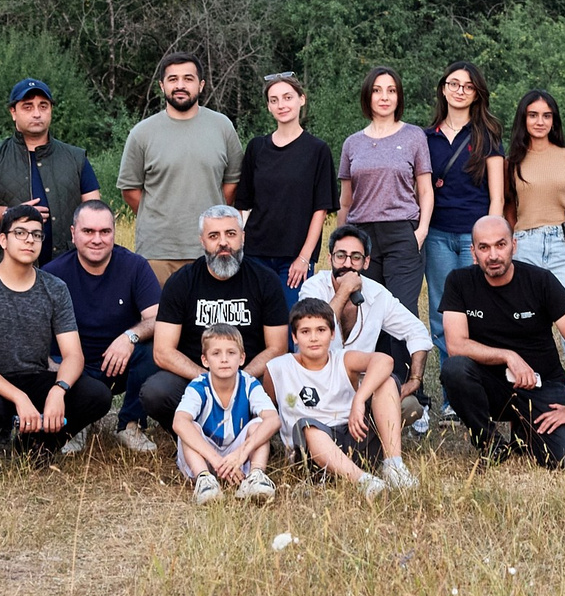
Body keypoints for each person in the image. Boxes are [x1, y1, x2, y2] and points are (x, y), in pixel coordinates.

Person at [0, 205, 112, 470]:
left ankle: (37, 446)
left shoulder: (54, 288)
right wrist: (18, 397)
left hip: (36, 376)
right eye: (21, 233)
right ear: (3, 240)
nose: (30, 240)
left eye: (37, 235)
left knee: (96, 394)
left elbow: (74, 355)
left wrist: (58, 390)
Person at [440, 216, 565, 468]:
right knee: (454, 369)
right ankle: (491, 444)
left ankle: (524, 430)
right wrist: (508, 356)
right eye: (484, 247)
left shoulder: (540, 280)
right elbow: (456, 345)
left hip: (539, 383)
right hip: (489, 386)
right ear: (473, 252)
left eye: (500, 245)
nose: (493, 255)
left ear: (514, 245)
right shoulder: (459, 282)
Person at [42, 200, 164, 454]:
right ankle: (76, 424)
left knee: (156, 346)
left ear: (114, 234)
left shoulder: (135, 266)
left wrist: (130, 336)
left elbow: (156, 318)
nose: (97, 239)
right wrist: (48, 362)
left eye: (104, 232)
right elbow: (33, 331)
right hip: (70, 365)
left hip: (119, 363)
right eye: (88, 232)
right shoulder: (52, 273)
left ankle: (130, 424)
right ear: (73, 233)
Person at [269, 299, 422, 496]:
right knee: (308, 427)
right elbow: (268, 408)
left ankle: (394, 466)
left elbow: (385, 360)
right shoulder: (278, 367)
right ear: (295, 337)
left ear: (333, 334)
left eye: (321, 330)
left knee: (386, 381)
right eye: (305, 332)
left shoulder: (343, 359)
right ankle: (364, 481)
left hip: (353, 436)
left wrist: (359, 399)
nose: (314, 338)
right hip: (312, 455)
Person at [118, 50, 245, 284]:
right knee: (158, 319)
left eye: (188, 79)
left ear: (201, 85)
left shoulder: (222, 127)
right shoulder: (142, 133)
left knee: (208, 321)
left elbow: (232, 183)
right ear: (162, 85)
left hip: (211, 249)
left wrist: (210, 220)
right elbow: (130, 191)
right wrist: (163, 218)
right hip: (157, 252)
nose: (180, 85)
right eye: (173, 79)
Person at [139, 206, 291, 393]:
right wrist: (206, 380)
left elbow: (277, 347)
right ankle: (188, 421)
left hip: (250, 377)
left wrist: (243, 380)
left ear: (242, 237)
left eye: (230, 233)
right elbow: (163, 352)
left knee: (278, 381)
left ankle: (251, 419)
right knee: (157, 391)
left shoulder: (266, 280)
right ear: (202, 241)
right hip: (195, 378)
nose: (223, 242)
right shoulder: (181, 282)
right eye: (213, 236)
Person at [0, 78, 102, 267]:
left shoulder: (76, 158)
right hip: (11, 269)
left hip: (69, 266)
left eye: (43, 106)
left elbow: (95, 209)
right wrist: (11, 213)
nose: (37, 114)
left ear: (51, 110)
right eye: (28, 107)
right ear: (13, 112)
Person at [338, 67, 433, 316]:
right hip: (362, 235)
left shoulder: (414, 136)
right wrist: (341, 240)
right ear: (367, 96)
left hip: (402, 232)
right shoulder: (352, 143)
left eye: (391, 91)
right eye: (377, 90)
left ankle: (404, 358)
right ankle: (376, 358)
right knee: (367, 312)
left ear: (399, 96)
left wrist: (420, 232)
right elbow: (345, 201)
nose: (384, 97)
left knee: (401, 312)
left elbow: (425, 190)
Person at [315, 226, 431, 429]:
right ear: (329, 258)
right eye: (341, 256)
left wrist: (415, 379)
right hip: (319, 387)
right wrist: (344, 292)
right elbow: (317, 329)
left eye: (356, 257)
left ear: (366, 262)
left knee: (411, 407)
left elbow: (417, 331)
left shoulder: (377, 293)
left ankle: (362, 431)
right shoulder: (314, 287)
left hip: (361, 391)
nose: (348, 264)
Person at [426, 62, 507, 334]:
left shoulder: (488, 136)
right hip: (437, 235)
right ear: (443, 89)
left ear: (477, 94)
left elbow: (497, 197)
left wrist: (488, 241)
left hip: (475, 236)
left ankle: (477, 374)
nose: (460, 91)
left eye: (468, 86)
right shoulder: (426, 138)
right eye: (454, 84)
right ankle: (451, 371)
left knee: (477, 306)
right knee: (442, 307)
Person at [233, 73, 333, 294]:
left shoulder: (317, 150)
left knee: (291, 324)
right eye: (274, 100)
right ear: (268, 106)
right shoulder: (256, 147)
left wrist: (305, 258)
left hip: (294, 259)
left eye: (288, 97)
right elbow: (243, 203)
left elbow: (320, 210)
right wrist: (241, 246)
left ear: (301, 99)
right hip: (255, 255)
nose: (281, 105)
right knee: (256, 325)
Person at [169, 324, 281, 505]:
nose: (224, 359)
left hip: (236, 456)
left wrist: (241, 454)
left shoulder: (248, 383)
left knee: (260, 424)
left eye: (231, 353)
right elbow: (179, 423)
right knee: (190, 427)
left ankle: (256, 476)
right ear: (205, 360)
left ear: (242, 358)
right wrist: (216, 461)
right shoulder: (199, 385)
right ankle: (204, 480)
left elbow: (273, 419)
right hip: (204, 455)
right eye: (216, 354)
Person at [506, 90, 565, 287]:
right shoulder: (511, 163)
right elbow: (508, 209)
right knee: (528, 313)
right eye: (533, 115)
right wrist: (517, 238)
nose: (540, 122)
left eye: (546, 116)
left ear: (554, 120)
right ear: (523, 119)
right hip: (525, 244)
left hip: (562, 243)